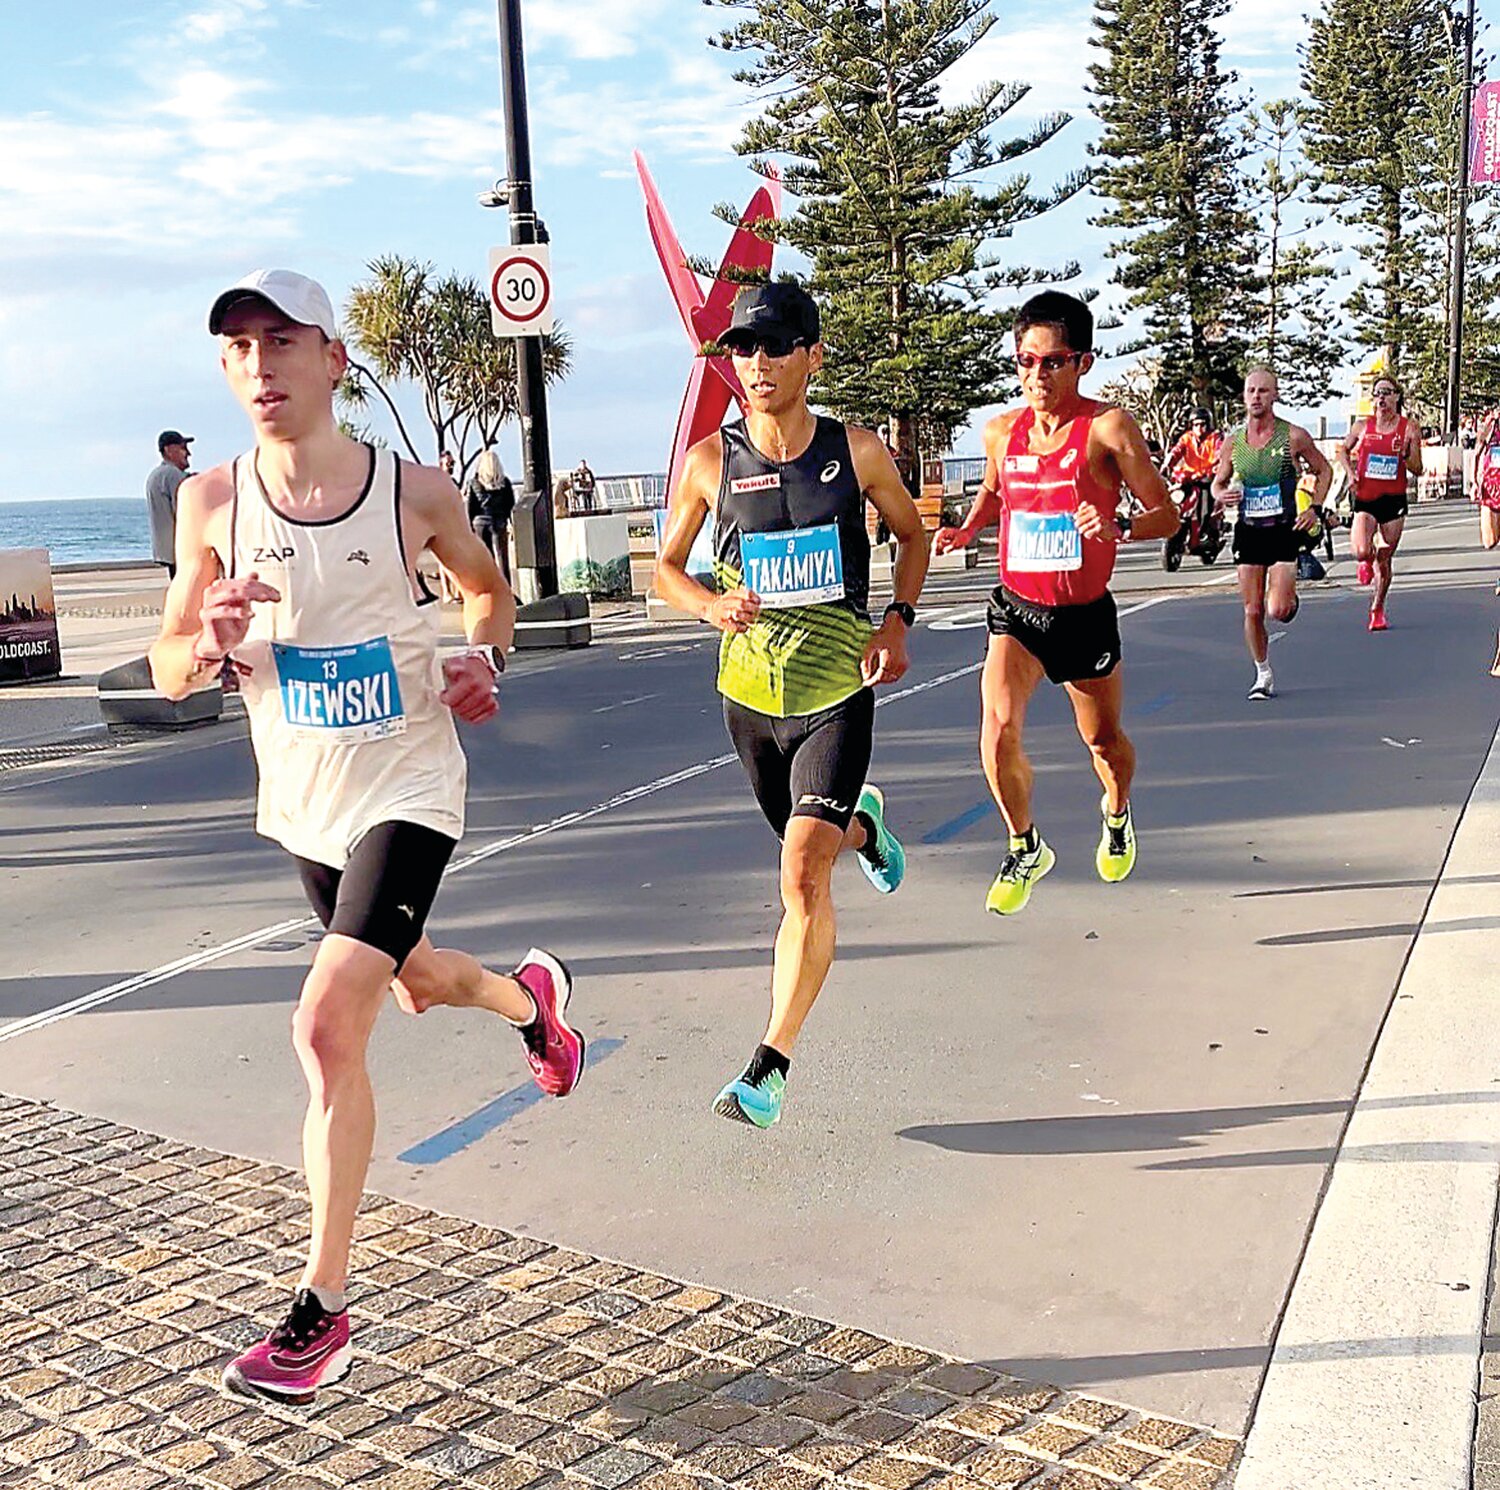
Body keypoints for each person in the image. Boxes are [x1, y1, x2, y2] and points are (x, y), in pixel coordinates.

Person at [148, 268, 585, 1405]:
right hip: (302, 798)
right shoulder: (210, 502)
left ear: (335, 359)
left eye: (281, 341)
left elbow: (489, 596)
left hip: (408, 784)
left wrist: (483, 658)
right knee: (411, 980)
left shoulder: (413, 495)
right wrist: (208, 640)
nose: (259, 366)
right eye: (237, 348)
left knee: (327, 1020)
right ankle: (534, 1004)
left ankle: (322, 1308)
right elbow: (165, 657)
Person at [655, 282, 928, 1129]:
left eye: (774, 347)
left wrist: (896, 620)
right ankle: (866, 828)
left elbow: (913, 536)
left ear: (812, 353)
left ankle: (769, 1066)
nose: (758, 364)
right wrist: (708, 606)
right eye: (743, 349)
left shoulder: (858, 451)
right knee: (817, 842)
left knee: (802, 874)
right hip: (748, 700)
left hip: (837, 693)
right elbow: (663, 569)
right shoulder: (710, 461)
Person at [933, 290, 1180, 915]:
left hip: (1083, 616)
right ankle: (1025, 845)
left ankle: (1118, 810)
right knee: (996, 734)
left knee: (1103, 743)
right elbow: (994, 494)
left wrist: (1120, 525)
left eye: (1052, 362)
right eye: (1024, 361)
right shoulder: (999, 431)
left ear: (1082, 363)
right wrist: (966, 529)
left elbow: (1168, 516)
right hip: (1017, 611)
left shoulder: (1108, 429)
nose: (1035, 376)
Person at [1212, 367, 1332, 701]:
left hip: (1283, 532)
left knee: (1277, 610)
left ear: (1275, 396)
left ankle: (1289, 598)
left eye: (1263, 391)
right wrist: (1222, 494)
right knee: (1252, 610)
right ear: (1244, 396)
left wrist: (1315, 509)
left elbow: (1324, 470)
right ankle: (1262, 673)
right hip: (1249, 531)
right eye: (1251, 391)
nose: (1256, 397)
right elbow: (1218, 483)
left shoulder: (1293, 436)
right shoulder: (1234, 442)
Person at [1338, 375, 1421, 630]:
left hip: (1393, 499)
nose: (1381, 398)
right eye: (1377, 393)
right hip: (1365, 496)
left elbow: (1418, 469)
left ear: (1397, 397)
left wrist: (1407, 454)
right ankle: (1366, 560)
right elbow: (1342, 450)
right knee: (1362, 550)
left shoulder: (1408, 428)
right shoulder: (1362, 427)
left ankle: (1378, 606)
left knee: (1384, 559)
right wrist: (1350, 473)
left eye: (1387, 392)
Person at [147, 430, 193, 579]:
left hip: (167, 549)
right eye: (183, 448)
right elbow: (186, 512)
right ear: (169, 450)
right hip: (181, 549)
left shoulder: (156, 475)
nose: (188, 453)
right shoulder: (172, 474)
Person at [466, 447, 515, 581]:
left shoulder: (474, 483)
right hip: (499, 522)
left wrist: (469, 529)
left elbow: (470, 508)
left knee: (485, 559)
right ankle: (506, 589)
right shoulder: (505, 483)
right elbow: (510, 505)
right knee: (502, 558)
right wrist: (510, 523)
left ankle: (489, 587)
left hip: (480, 524)